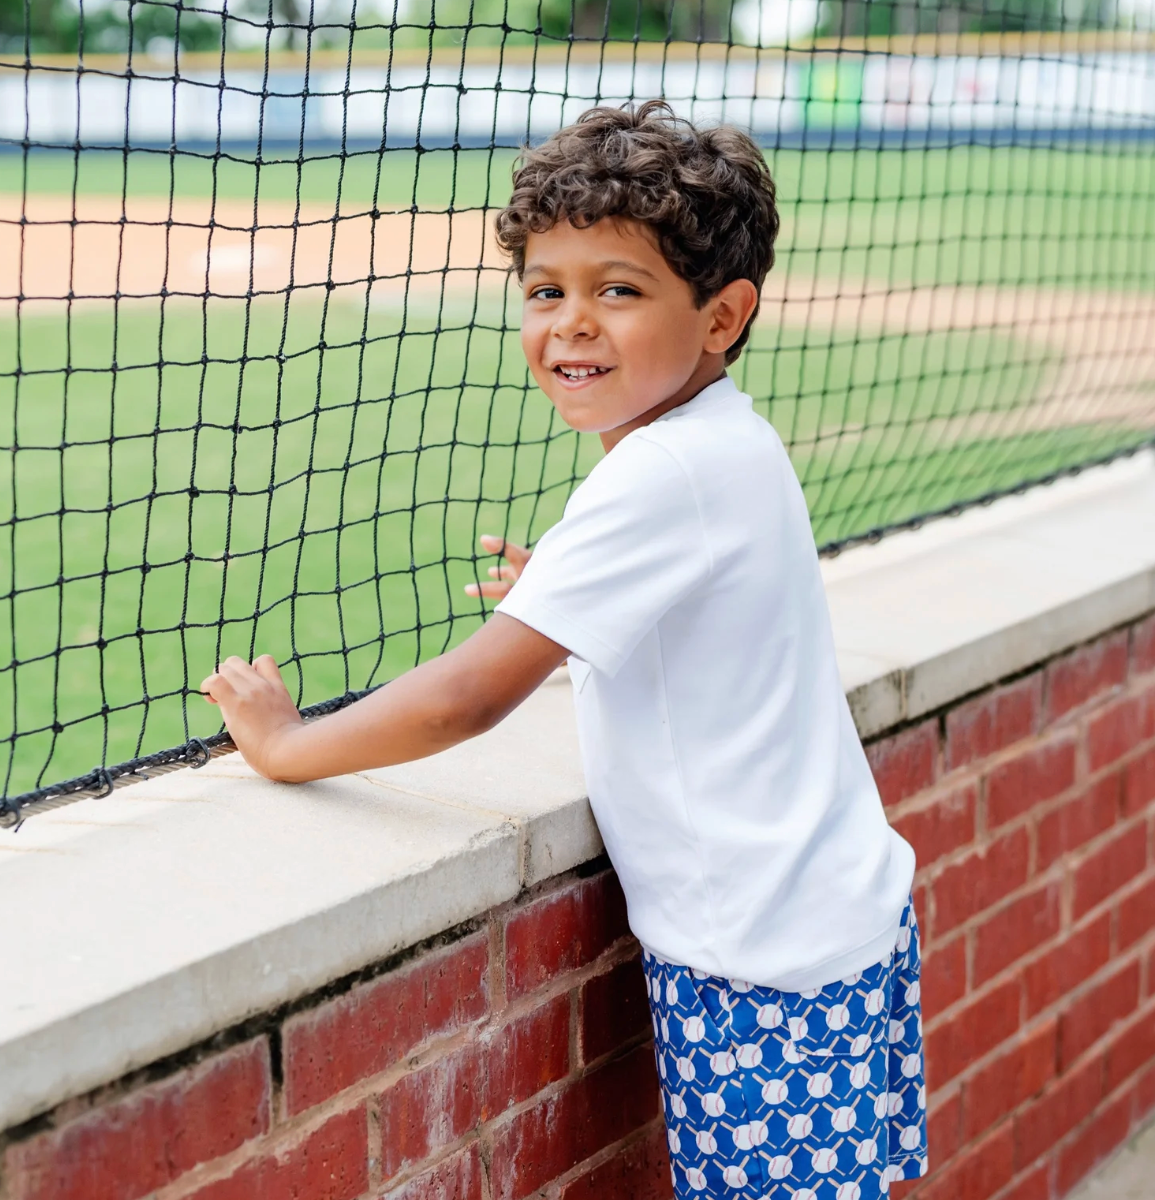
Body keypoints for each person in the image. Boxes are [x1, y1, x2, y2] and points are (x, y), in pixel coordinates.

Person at [200, 100, 926, 1199]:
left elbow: (468, 697)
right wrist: (573, 593)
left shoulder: (658, 473)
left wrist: (287, 744)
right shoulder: (726, 438)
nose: (571, 325)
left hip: (765, 970)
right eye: (546, 292)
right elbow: (704, 619)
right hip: (835, 925)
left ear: (723, 315)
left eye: (617, 291)